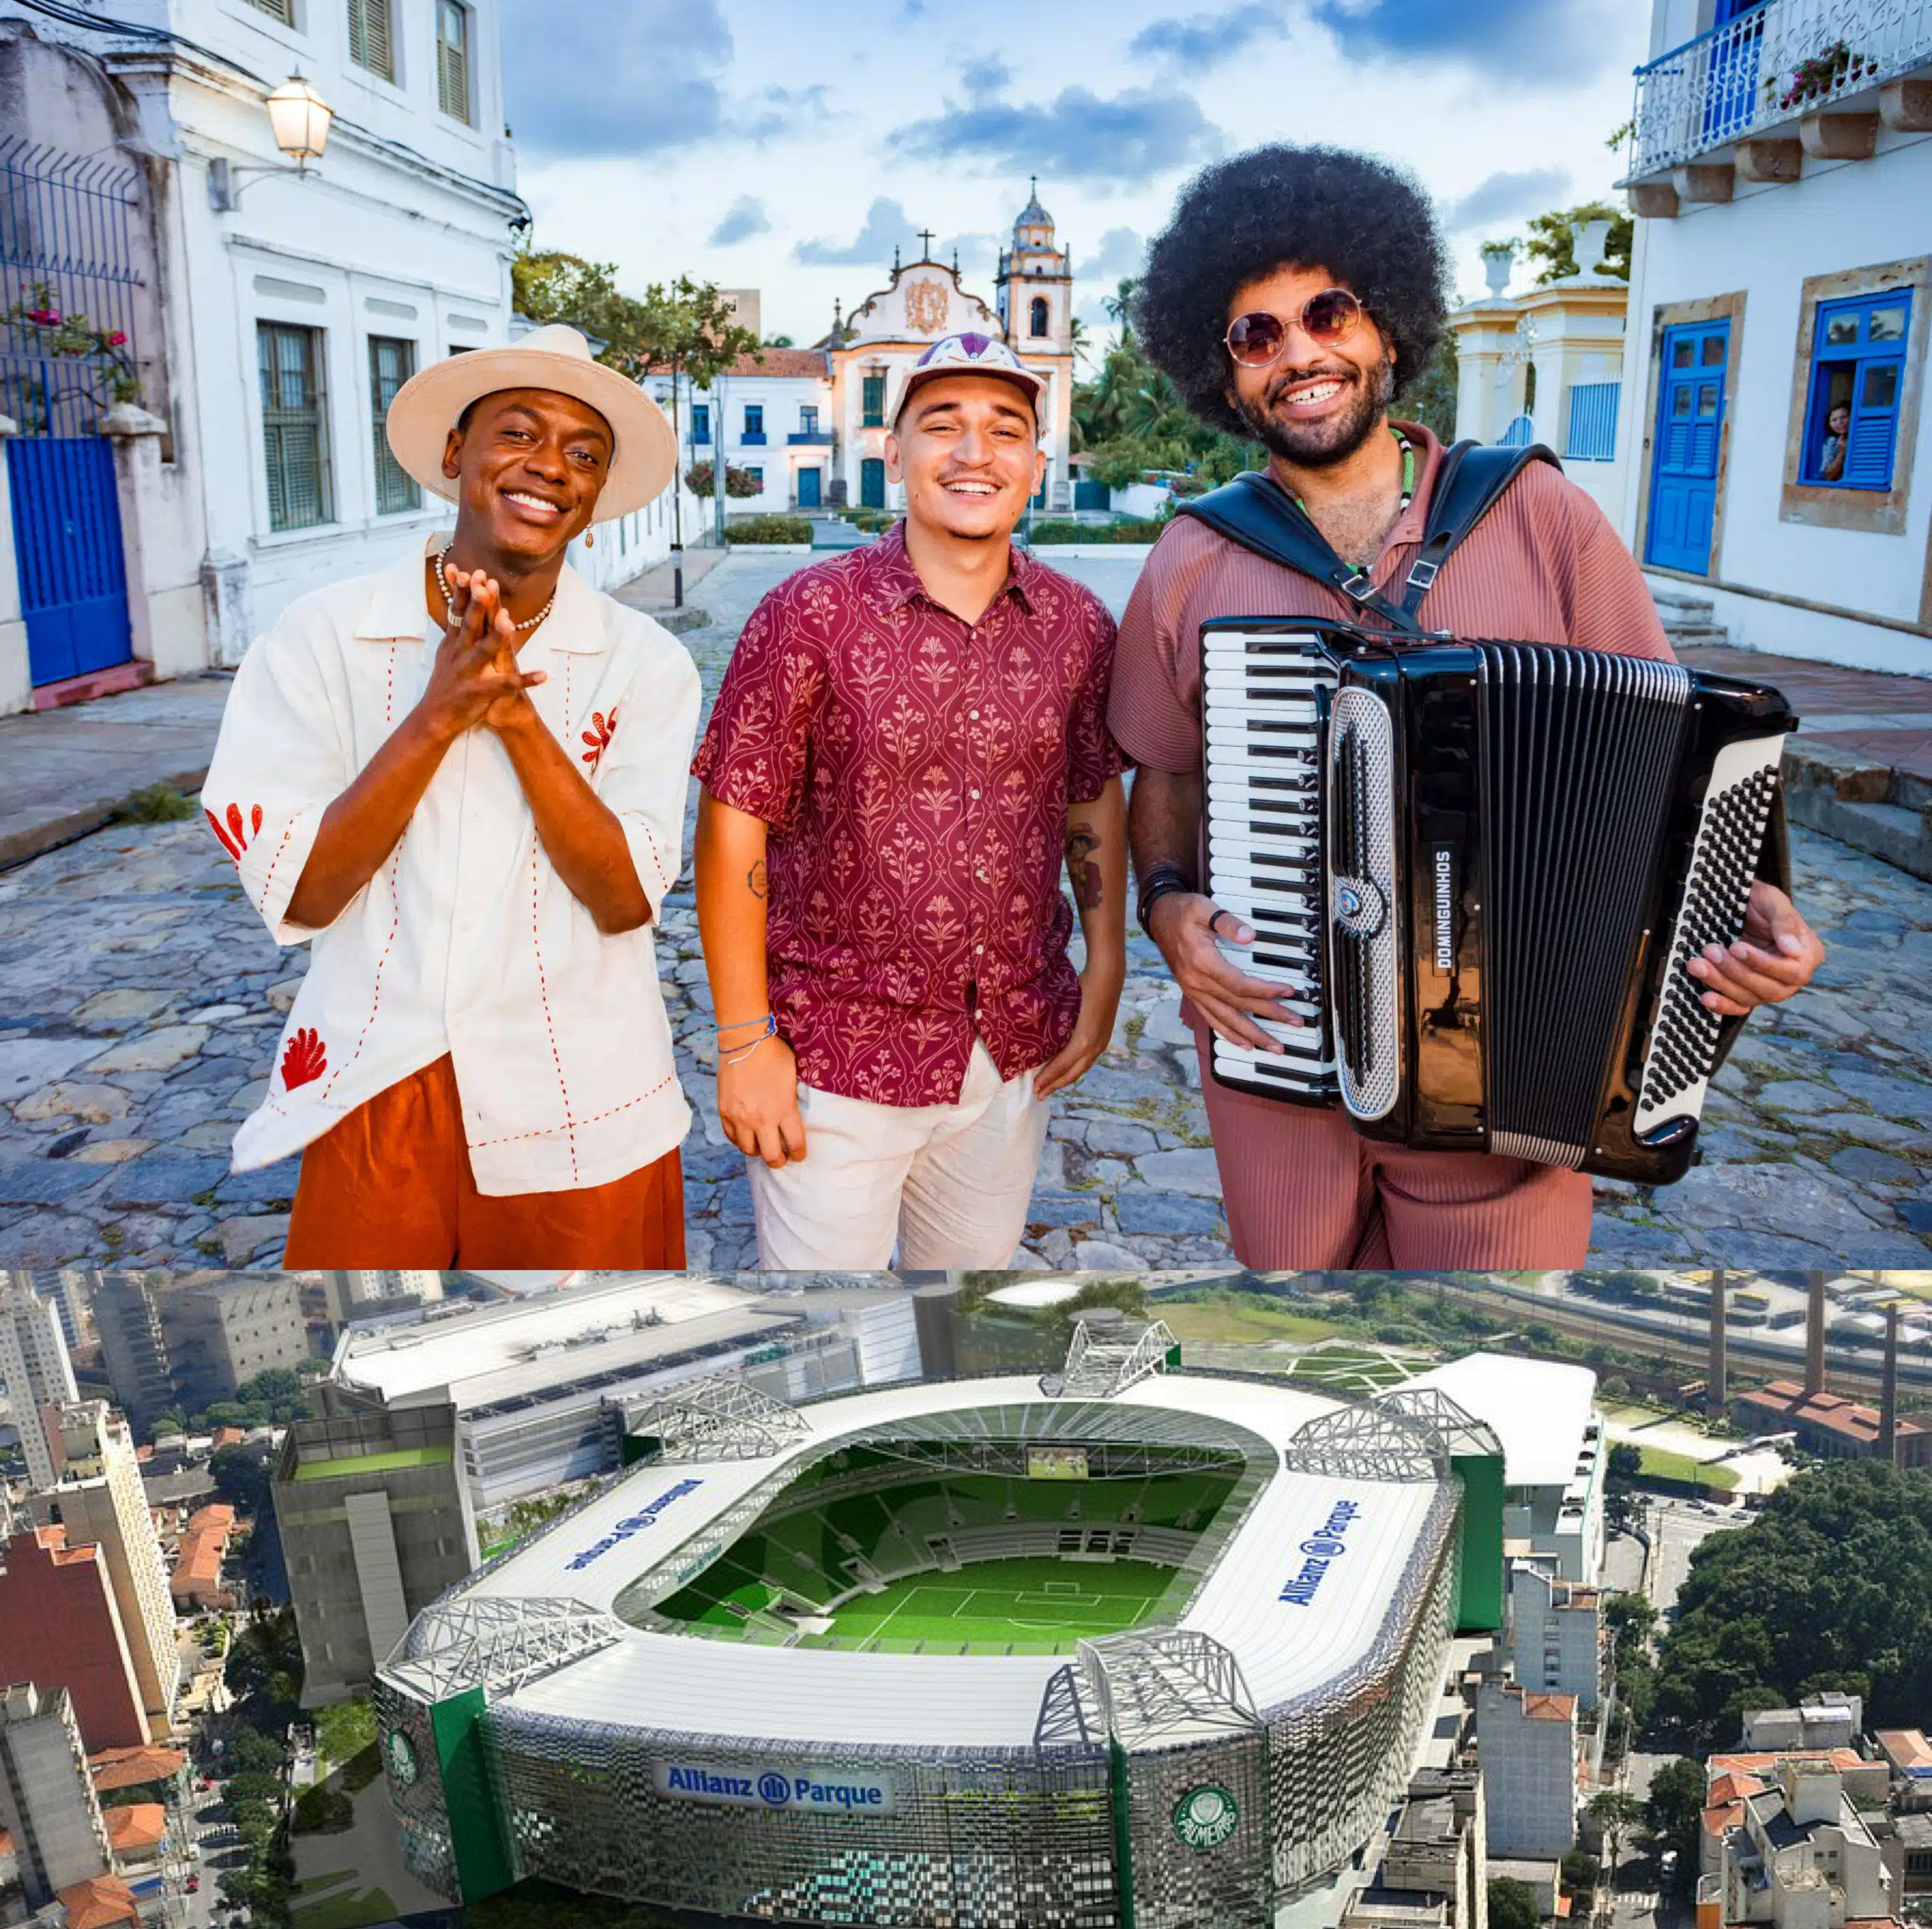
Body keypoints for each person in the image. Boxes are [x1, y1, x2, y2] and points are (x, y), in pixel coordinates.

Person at [1109, 144, 1825, 1268]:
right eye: (1256, 334)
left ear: (1386, 328)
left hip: (1510, 1063)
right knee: (1294, 1352)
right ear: (1225, 373)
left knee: (1483, 1375)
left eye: (1328, 313)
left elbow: (1682, 755)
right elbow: (1164, 769)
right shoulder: (1193, 554)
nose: (1298, 353)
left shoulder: (1542, 516)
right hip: (1277, 1045)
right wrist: (1162, 906)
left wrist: (1754, 910)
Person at [201, 325, 701, 1266]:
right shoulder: (322, 637)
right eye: (518, 433)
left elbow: (625, 895)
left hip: (581, 1090)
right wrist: (439, 712)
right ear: (452, 455)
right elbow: (303, 893)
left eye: (584, 454)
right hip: (377, 1080)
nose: (550, 465)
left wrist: (511, 716)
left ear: (594, 502)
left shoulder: (646, 665)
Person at [692, 331, 1128, 1268]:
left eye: (1005, 430)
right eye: (943, 425)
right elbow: (736, 826)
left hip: (1009, 1049)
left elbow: (1090, 801)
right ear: (894, 453)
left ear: (1037, 463)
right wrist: (741, 1041)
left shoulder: (1079, 628)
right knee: (826, 1347)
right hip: (833, 1057)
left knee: (964, 1327)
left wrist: (1106, 970)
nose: (975, 453)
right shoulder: (808, 613)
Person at [1819, 401, 1851, 481]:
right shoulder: (1832, 442)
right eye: (1834, 420)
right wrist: (1842, 452)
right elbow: (1828, 476)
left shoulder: (1864, 437)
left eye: (1844, 417)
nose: (1840, 422)